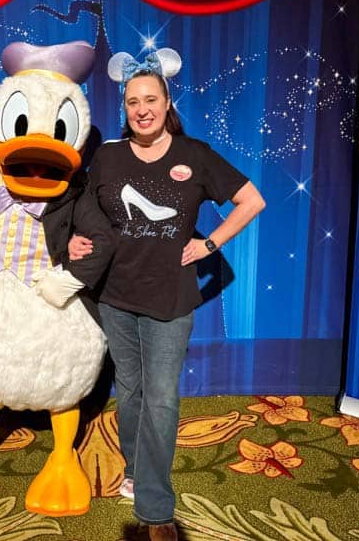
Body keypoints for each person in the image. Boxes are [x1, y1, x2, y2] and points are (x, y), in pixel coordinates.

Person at [64, 48, 265, 541]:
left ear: (167, 100)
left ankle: (155, 508)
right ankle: (135, 470)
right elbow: (83, 212)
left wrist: (210, 243)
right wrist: (73, 238)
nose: (142, 109)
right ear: (125, 107)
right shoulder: (108, 156)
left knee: (160, 399)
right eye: (133, 101)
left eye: (150, 99)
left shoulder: (193, 156)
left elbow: (251, 199)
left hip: (170, 302)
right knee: (129, 392)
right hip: (114, 297)